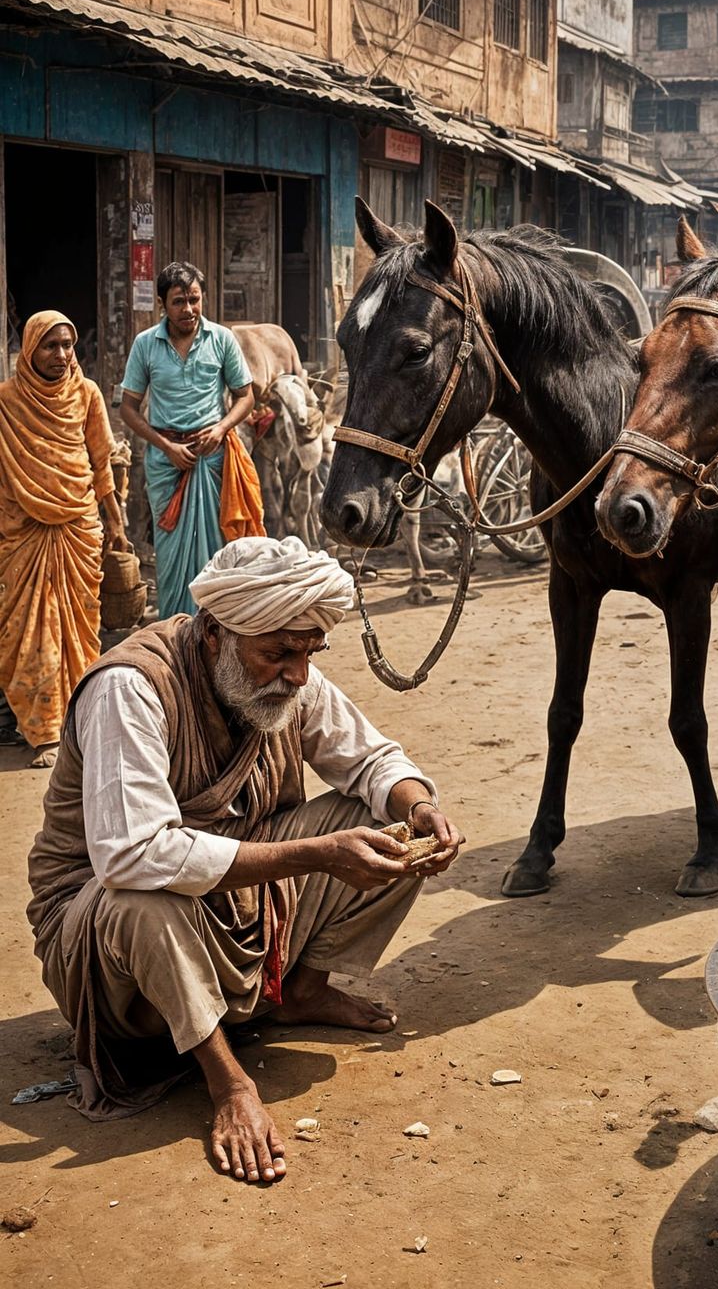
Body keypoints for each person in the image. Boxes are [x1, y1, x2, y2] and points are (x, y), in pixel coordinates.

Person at [26, 535, 464, 1184]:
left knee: (387, 824)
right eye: (278, 654)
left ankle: (299, 991)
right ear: (213, 632)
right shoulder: (130, 688)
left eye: (308, 654)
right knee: (142, 896)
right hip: (106, 940)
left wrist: (419, 806)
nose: (296, 673)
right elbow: (132, 856)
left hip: (231, 902)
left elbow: (371, 759)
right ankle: (227, 1082)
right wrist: (315, 854)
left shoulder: (286, 675)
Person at [0, 313, 129, 767]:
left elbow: (102, 463)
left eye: (68, 345)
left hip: (77, 527)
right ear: (29, 350)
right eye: (50, 346)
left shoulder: (87, 393)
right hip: (22, 534)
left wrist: (116, 523)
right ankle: (41, 732)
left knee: (78, 630)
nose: (61, 355)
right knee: (27, 635)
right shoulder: (7, 401)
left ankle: (78, 722)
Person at [119, 264, 257, 618]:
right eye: (179, 302)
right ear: (163, 304)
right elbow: (129, 410)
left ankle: (219, 630)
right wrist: (167, 447)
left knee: (218, 551)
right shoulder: (145, 344)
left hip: (213, 460)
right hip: (167, 464)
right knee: (170, 560)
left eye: (194, 299)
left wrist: (220, 428)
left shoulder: (222, 339)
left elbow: (246, 397)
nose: (189, 310)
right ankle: (176, 634)